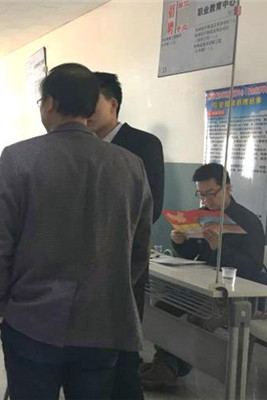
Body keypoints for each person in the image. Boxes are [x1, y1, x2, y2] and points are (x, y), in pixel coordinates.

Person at [0, 63, 153, 400]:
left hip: (32, 319)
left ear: (49, 104)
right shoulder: (131, 165)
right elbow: (139, 246)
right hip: (103, 324)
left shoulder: (18, 158)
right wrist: (109, 289)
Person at [140, 163, 267, 387]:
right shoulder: (204, 216)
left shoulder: (249, 221)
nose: (206, 201)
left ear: (227, 188)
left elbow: (252, 268)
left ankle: (168, 366)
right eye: (201, 195)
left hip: (235, 294)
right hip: (205, 284)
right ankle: (166, 364)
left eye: (211, 194)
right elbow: (194, 253)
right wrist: (179, 241)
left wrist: (220, 249)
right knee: (164, 307)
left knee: (196, 315)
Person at [88, 71, 165, 400]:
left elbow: (152, 206)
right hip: (83, 266)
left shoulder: (143, 144)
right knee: (90, 357)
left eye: (92, 103)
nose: (85, 111)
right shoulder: (82, 144)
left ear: (113, 104)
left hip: (123, 263)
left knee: (123, 353)